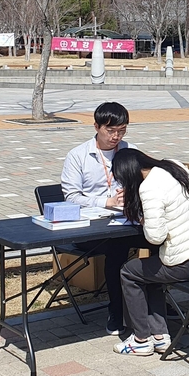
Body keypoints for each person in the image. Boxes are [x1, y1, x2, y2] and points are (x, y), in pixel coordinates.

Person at [111, 148, 189, 356]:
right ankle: (160, 336)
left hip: (186, 263)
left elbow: (155, 237)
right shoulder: (175, 166)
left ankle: (141, 338)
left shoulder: (149, 188)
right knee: (150, 270)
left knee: (129, 272)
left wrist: (142, 218)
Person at [61, 102, 135, 335]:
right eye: (110, 131)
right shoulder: (78, 156)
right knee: (117, 248)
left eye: (121, 131)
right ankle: (116, 310)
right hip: (90, 227)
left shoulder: (129, 150)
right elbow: (71, 197)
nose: (116, 136)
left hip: (126, 220)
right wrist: (106, 202)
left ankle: (157, 301)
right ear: (96, 126)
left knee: (158, 238)